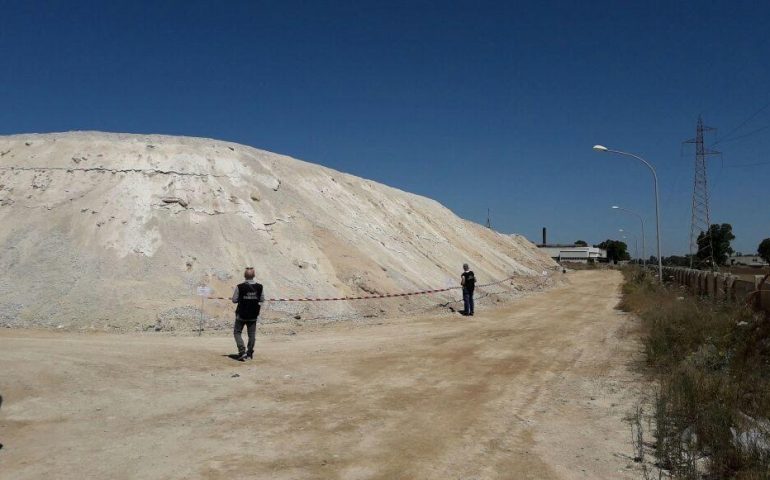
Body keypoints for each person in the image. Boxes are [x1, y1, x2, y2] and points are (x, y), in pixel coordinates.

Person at [231, 267, 264, 361]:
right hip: (253, 315)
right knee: (252, 334)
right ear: (254, 275)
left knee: (237, 332)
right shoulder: (260, 287)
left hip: (241, 314)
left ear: (244, 275)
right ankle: (249, 354)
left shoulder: (240, 286)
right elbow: (262, 299)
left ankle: (242, 351)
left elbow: (234, 300)